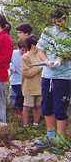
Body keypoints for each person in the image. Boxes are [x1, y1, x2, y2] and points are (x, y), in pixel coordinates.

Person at [34, 9, 71, 147]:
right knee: (46, 105)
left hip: (63, 77)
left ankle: (60, 139)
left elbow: (66, 54)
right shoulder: (47, 32)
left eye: (60, 20)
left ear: (65, 18)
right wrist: (47, 61)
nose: (57, 23)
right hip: (47, 76)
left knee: (60, 107)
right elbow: (40, 50)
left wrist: (58, 62)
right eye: (54, 21)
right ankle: (50, 136)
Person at [8, 23, 33, 105]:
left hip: (29, 79)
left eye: (20, 33)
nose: (18, 35)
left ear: (26, 33)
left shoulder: (33, 47)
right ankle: (14, 111)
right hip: (16, 79)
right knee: (16, 95)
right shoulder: (16, 52)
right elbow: (9, 60)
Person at [21, 34, 42, 127]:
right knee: (27, 107)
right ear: (33, 45)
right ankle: (25, 125)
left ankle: (36, 124)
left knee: (38, 106)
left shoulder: (41, 56)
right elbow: (26, 72)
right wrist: (38, 67)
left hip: (40, 87)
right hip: (29, 87)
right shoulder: (25, 57)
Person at [9, 39, 28, 115]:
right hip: (16, 80)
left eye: (26, 50)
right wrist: (11, 66)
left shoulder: (28, 55)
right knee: (18, 94)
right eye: (22, 50)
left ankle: (23, 111)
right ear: (18, 48)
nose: (24, 52)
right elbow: (8, 61)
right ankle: (17, 110)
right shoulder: (13, 53)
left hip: (25, 80)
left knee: (24, 96)